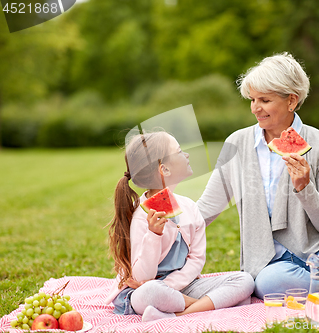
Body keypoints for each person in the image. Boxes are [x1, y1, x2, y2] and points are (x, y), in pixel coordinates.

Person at [197, 52, 319, 302]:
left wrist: (305, 188)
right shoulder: (238, 143)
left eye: (264, 100)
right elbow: (207, 208)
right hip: (273, 257)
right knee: (268, 284)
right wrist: (163, 234)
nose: (255, 108)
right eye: (252, 99)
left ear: (291, 101)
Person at [104, 130, 254, 322]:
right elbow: (143, 277)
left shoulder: (190, 207)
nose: (187, 154)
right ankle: (206, 305)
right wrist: (153, 235)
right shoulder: (141, 216)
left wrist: (171, 287)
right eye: (180, 151)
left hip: (183, 286)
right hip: (144, 291)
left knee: (245, 281)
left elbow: (197, 259)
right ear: (164, 169)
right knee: (151, 291)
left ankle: (175, 314)